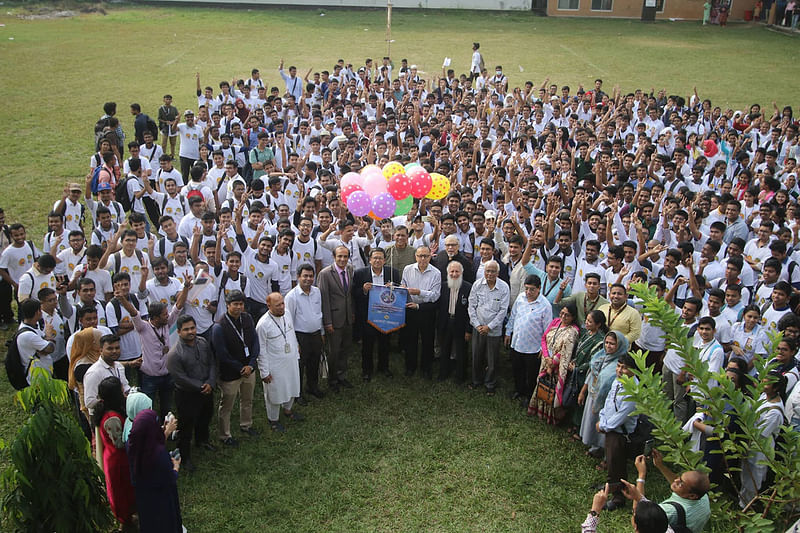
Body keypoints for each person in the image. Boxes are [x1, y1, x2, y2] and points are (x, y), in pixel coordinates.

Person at [166, 315, 216, 472]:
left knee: (206, 416)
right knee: (186, 426)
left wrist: (211, 382)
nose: (190, 332)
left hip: (207, 389)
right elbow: (180, 377)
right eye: (186, 329)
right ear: (179, 332)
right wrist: (201, 386)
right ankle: (184, 456)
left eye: (192, 328)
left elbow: (212, 363)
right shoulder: (174, 354)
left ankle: (202, 440)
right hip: (187, 394)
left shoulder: (202, 343)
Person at [211, 289, 260, 446]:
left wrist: (251, 364)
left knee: (247, 399)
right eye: (235, 304)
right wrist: (241, 367)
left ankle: (246, 425)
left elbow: (255, 342)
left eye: (241, 304)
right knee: (227, 405)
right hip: (230, 373)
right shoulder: (219, 326)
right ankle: (225, 435)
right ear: (227, 305)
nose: (239, 307)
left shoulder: (247, 318)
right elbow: (222, 354)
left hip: (249, 369)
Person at [127, 408, 183, 533]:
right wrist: (176, 466)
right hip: (161, 500)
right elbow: (170, 478)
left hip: (144, 498)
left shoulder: (132, 445)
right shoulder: (159, 455)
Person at [93, 376, 136, 532]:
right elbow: (119, 443)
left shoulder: (112, 411)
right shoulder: (112, 418)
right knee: (121, 491)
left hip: (118, 458)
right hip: (118, 460)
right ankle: (126, 520)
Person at [596, 353, 639, 510]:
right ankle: (610, 486)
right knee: (611, 460)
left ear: (634, 371)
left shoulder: (633, 391)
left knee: (617, 463)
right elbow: (609, 402)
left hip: (620, 432)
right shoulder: (618, 381)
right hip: (610, 426)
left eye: (625, 368)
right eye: (619, 366)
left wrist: (604, 426)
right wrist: (602, 418)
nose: (620, 370)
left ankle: (618, 497)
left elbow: (621, 416)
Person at [256, 292, 303, 433]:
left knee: (293, 386)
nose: (282, 307)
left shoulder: (287, 313)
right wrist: (264, 372)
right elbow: (261, 350)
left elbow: (291, 332)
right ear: (268, 306)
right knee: (274, 394)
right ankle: (273, 419)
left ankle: (288, 410)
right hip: (275, 365)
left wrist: (296, 348)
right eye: (278, 305)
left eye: (282, 303)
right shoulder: (263, 325)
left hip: (291, 359)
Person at [352, 248, 401, 381]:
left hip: (386, 315)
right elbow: (353, 293)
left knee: (385, 343)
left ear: (385, 260)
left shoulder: (393, 273)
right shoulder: (360, 273)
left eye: (380, 258)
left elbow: (400, 291)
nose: (378, 260)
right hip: (368, 315)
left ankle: (383, 367)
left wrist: (394, 288)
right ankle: (366, 370)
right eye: (375, 258)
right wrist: (363, 290)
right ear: (370, 260)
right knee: (367, 344)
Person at [579, 331, 630, 456]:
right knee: (591, 423)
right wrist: (583, 391)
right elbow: (592, 374)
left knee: (603, 426)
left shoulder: (621, 364)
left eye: (612, 344)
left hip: (606, 402)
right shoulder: (600, 355)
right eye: (606, 342)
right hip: (593, 395)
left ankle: (604, 452)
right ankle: (594, 446)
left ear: (620, 345)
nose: (608, 346)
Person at [528, 303, 580, 423]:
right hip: (546, 361)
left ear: (573, 317)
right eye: (562, 313)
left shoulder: (573, 331)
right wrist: (546, 357)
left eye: (567, 315)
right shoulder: (555, 322)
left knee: (551, 389)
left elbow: (566, 351)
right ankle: (539, 410)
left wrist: (553, 362)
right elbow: (544, 338)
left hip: (558, 366)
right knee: (542, 384)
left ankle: (550, 416)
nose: (563, 316)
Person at [638, 449, 712, 533]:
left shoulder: (669, 511)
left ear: (692, 496)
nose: (676, 481)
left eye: (681, 483)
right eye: (679, 477)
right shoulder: (704, 497)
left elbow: (640, 517)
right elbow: (682, 482)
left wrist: (641, 475)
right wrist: (660, 465)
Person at [506, 274, 552, 403]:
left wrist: (544, 348)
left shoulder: (545, 305)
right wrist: (508, 332)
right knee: (517, 369)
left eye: (532, 289)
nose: (528, 292)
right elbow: (513, 316)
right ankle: (518, 390)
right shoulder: (521, 298)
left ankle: (529, 395)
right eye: (526, 289)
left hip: (533, 347)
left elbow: (548, 330)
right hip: (517, 342)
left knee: (531, 374)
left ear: (539, 288)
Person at [467, 260, 510, 395]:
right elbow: (471, 306)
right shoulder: (477, 285)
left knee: (492, 359)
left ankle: (490, 383)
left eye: (493, 271)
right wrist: (477, 325)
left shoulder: (504, 287)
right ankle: (476, 380)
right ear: (484, 272)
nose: (490, 274)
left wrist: (489, 327)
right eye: (487, 271)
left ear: (498, 273)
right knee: (476, 355)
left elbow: (503, 311)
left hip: (494, 330)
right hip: (478, 327)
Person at [285, 263, 325, 401]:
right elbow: (288, 321)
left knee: (314, 363)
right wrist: (294, 342)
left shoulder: (317, 292)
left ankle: (312, 387)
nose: (308, 279)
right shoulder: (291, 296)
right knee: (299, 366)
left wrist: (322, 332)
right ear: (298, 277)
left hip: (316, 334)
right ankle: (298, 393)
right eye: (305, 276)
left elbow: (319, 313)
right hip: (300, 336)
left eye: (310, 276)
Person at [317, 245, 355, 392]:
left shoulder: (350, 270)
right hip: (333, 319)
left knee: (345, 349)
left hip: (347, 318)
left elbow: (349, 294)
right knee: (334, 352)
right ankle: (332, 380)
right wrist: (327, 322)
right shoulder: (325, 274)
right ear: (334, 257)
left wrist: (352, 312)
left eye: (345, 256)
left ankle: (342, 376)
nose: (342, 259)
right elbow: (324, 299)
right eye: (339, 256)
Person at [401, 246, 441, 378]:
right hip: (410, 309)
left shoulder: (436, 273)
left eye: (426, 256)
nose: (423, 259)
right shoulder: (408, 269)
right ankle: (410, 367)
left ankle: (426, 368)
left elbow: (435, 296)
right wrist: (401, 288)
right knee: (410, 339)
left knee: (427, 340)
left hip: (426, 310)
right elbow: (403, 286)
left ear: (430, 256)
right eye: (420, 256)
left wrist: (419, 292)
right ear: (415, 256)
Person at [569, 310, 608, 437]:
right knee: (575, 396)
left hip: (587, 373)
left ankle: (579, 427)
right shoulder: (586, 333)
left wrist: (578, 368)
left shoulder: (600, 340)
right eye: (586, 320)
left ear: (598, 325)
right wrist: (574, 362)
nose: (586, 323)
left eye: (590, 321)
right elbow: (578, 350)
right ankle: (572, 422)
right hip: (576, 369)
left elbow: (594, 361)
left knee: (582, 399)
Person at [436, 261, 472, 383]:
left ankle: (460, 376)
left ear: (462, 272)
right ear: (447, 273)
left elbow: (471, 311)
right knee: (445, 348)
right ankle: (443, 373)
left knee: (461, 350)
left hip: (461, 323)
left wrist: (468, 329)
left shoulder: (468, 287)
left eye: (457, 271)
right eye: (452, 271)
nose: (454, 274)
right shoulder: (443, 286)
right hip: (446, 322)